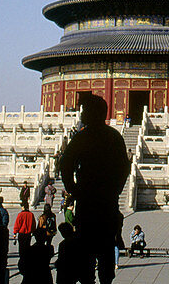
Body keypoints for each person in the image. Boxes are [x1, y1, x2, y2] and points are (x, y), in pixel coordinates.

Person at [57, 94, 130, 284]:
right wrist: (115, 190)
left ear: (95, 113)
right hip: (107, 202)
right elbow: (125, 167)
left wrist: (73, 189)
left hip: (87, 202)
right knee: (105, 249)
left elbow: (65, 165)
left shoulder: (83, 138)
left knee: (87, 253)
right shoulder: (114, 137)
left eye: (86, 110)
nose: (82, 114)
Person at [14, 200, 37, 269]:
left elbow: (17, 224)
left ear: (23, 207)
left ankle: (22, 261)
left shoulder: (20, 214)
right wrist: (33, 231)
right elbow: (33, 224)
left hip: (21, 234)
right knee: (27, 247)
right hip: (28, 234)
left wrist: (15, 233)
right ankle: (27, 260)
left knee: (21, 248)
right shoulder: (31, 214)